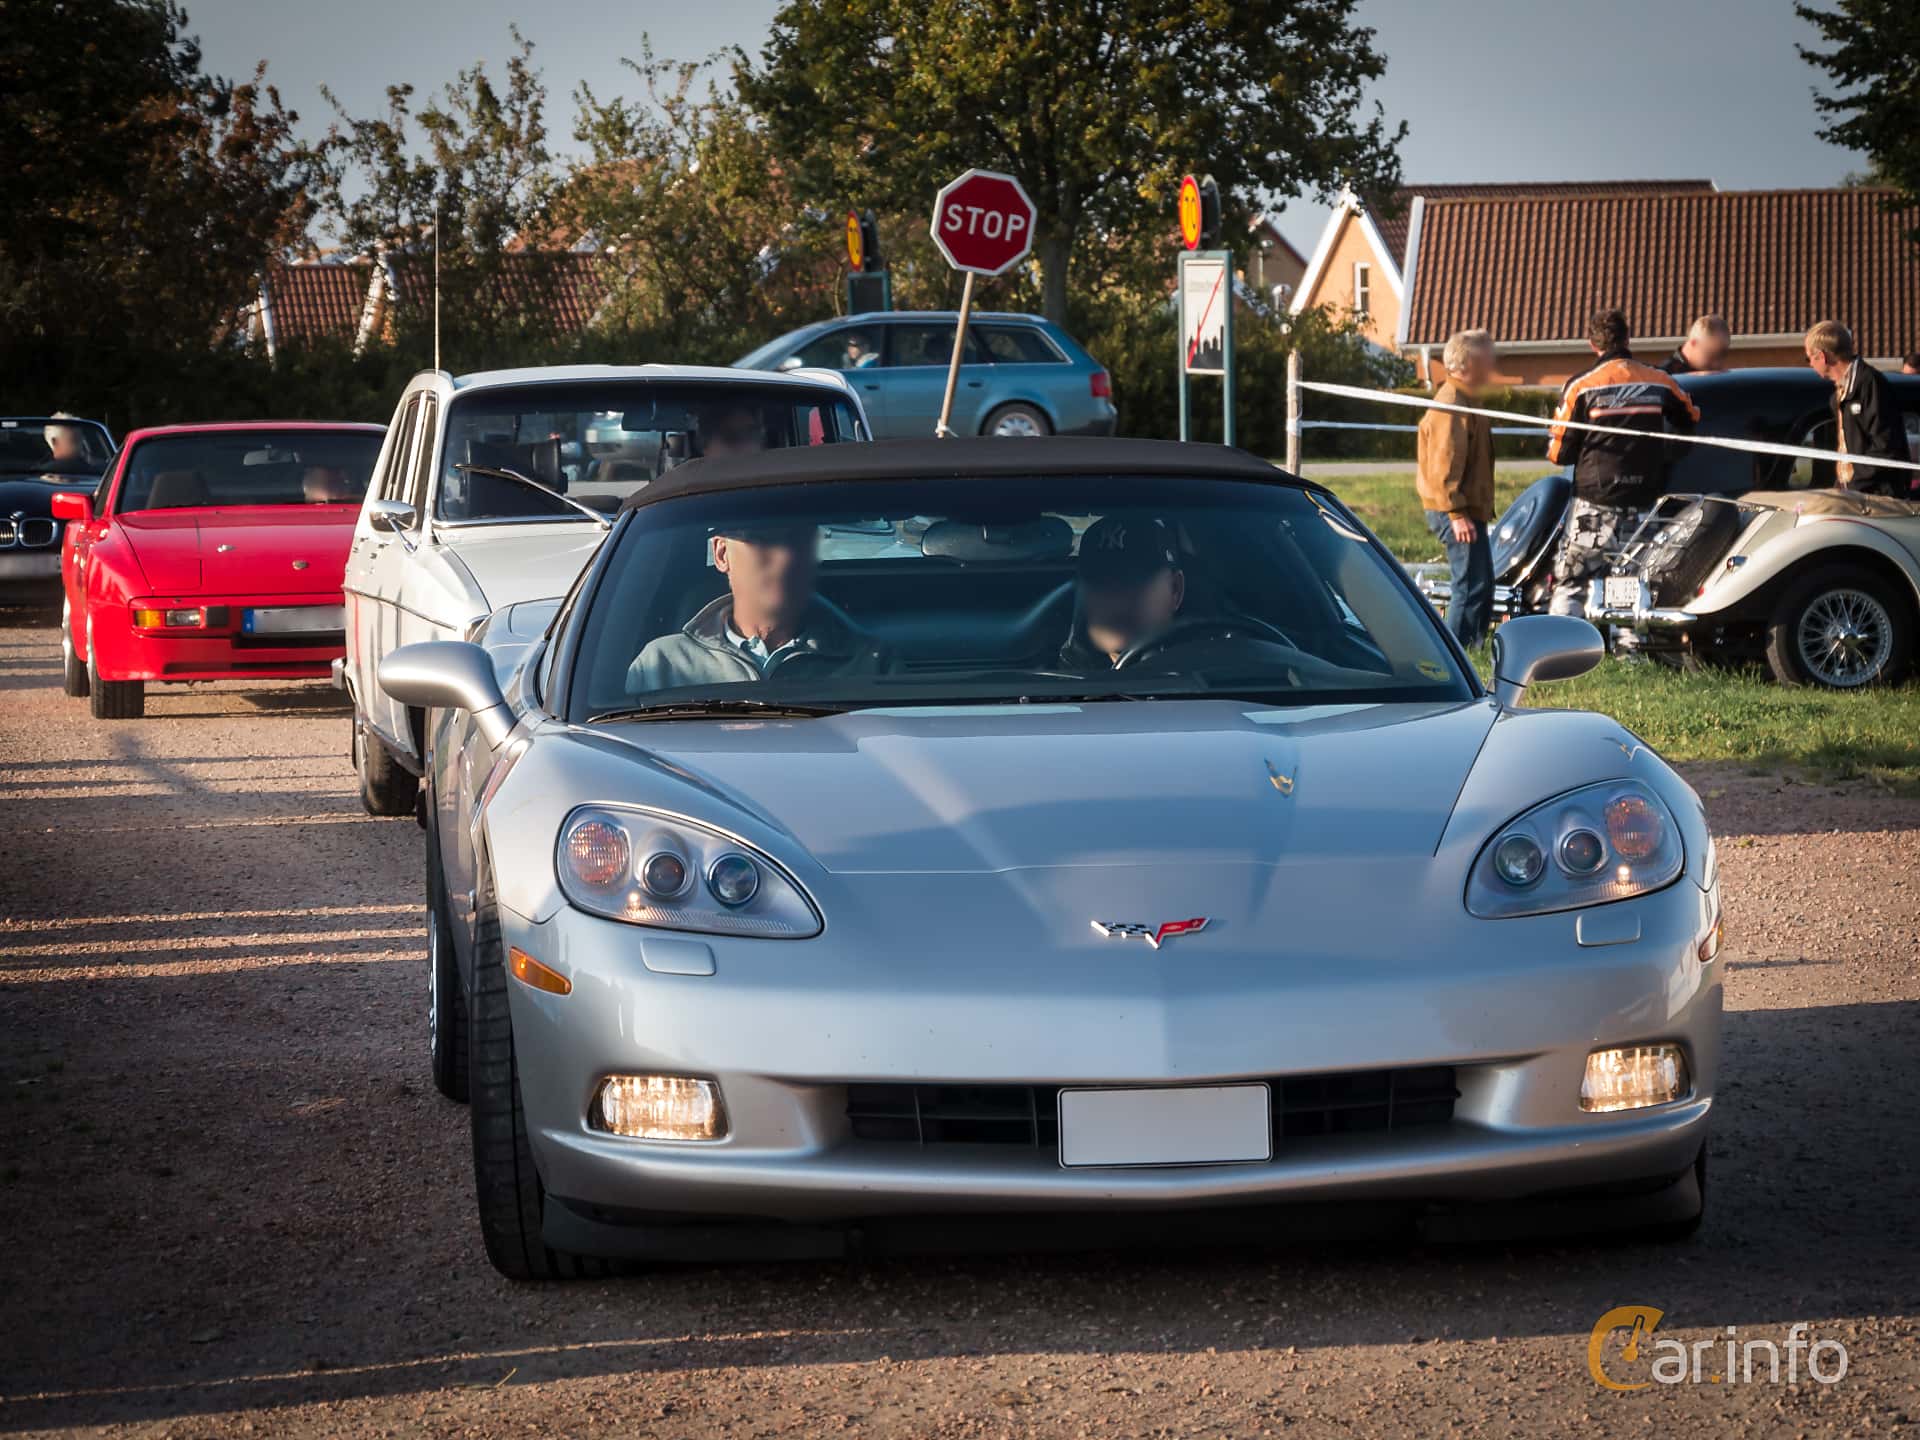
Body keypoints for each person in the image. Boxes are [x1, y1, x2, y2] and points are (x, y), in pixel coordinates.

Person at [1548, 309, 1700, 618]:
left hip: (1594, 500)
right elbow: (1691, 417)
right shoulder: (1660, 380)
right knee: (1631, 576)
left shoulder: (1581, 386)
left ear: (1592, 344)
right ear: (1629, 339)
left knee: (1574, 576)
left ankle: (1560, 643)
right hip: (1645, 499)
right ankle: (1628, 651)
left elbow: (1558, 452)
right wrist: (1666, 453)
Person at [626, 521, 888, 691]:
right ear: (721, 554)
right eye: (763, 540)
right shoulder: (661, 665)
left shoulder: (872, 663)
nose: (786, 558)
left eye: (799, 541)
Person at [1416, 329, 1497, 646]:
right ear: (1469, 362)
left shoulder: (1466, 400)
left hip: (1465, 508)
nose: (1493, 365)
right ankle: (1458, 651)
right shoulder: (1451, 404)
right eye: (1487, 358)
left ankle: (1472, 646)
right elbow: (1444, 463)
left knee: (1481, 582)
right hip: (1455, 510)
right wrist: (1456, 511)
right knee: (1469, 584)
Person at [1061, 515, 1186, 668]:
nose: (1113, 599)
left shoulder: (1212, 672)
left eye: (1133, 582)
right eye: (1098, 583)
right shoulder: (1052, 683)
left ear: (1175, 589)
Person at [1804, 321, 1908, 496]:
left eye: (1808, 358)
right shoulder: (1839, 395)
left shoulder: (1870, 384)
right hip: (1855, 495)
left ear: (1822, 356)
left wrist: (1854, 484)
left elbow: (1885, 447)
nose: (1809, 365)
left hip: (1877, 499)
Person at [1660, 315, 1732, 375]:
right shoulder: (1666, 377)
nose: (1717, 364)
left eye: (1722, 355)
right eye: (1711, 355)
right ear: (1694, 343)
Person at [693, 404, 768, 460]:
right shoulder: (689, 480)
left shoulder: (777, 476)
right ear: (705, 446)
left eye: (751, 434)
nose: (744, 445)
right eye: (730, 436)